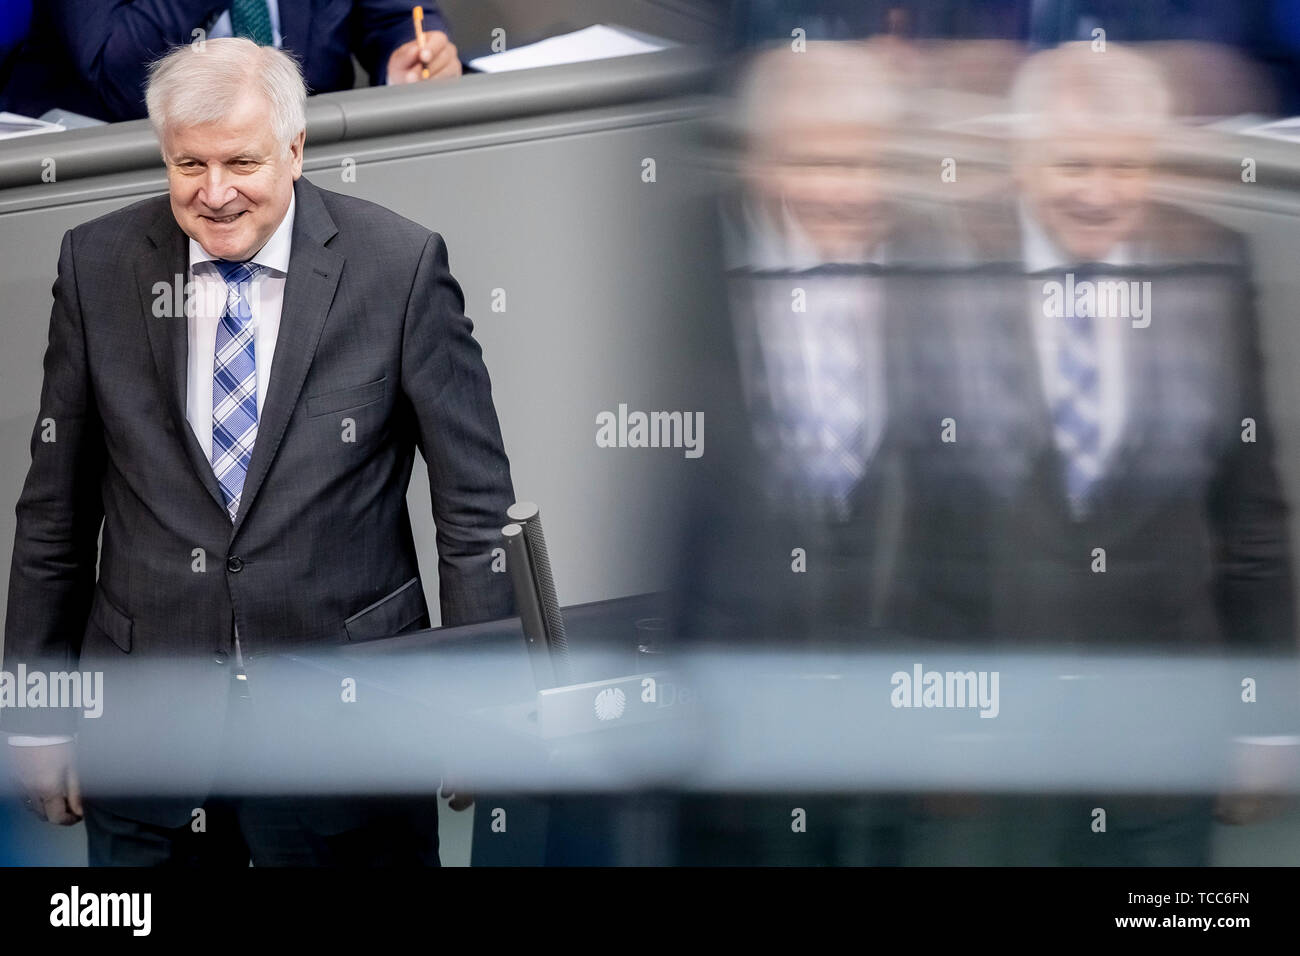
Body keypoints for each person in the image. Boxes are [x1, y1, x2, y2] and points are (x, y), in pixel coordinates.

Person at [2, 37, 513, 865]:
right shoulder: (96, 266)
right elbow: (53, 512)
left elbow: (475, 511)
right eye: (188, 165)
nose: (214, 194)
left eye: (241, 161)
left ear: (295, 148)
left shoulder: (400, 268)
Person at [900, 41, 1297, 863]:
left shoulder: (1211, 265)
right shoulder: (935, 272)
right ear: (1024, 159)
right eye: (1074, 164)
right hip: (992, 749)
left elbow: (1251, 510)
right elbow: (897, 528)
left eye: (1126, 165)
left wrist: (1265, 716)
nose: (1100, 193)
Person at [1, 0, 460, 123]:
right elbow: (113, 69)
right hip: (108, 178)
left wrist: (410, 57)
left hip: (297, 169)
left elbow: (401, 20)